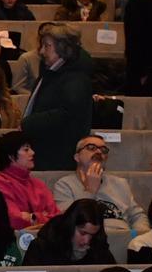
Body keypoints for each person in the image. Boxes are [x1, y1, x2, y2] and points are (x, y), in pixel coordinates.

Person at [15, 23, 96, 170]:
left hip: (58, 156)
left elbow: (67, 113)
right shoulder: (52, 72)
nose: (41, 51)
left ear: (63, 48)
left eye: (47, 46)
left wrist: (30, 123)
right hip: (46, 152)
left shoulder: (75, 78)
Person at [53, 134, 144, 233]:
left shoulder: (120, 183)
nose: (99, 152)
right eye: (91, 147)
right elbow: (70, 221)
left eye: (103, 150)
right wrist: (90, 191)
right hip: (89, 238)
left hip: (122, 235)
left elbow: (138, 216)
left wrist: (136, 237)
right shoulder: (64, 185)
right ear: (77, 157)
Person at [0, 130, 57, 232]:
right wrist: (42, 216)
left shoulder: (38, 183)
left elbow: (57, 218)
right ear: (10, 156)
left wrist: (32, 217)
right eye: (26, 149)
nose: (33, 152)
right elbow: (13, 220)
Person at [25, 198, 113, 265]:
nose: (87, 240)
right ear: (70, 226)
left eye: (92, 235)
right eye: (83, 233)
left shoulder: (99, 248)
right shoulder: (41, 247)